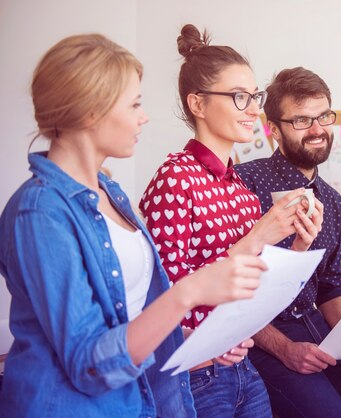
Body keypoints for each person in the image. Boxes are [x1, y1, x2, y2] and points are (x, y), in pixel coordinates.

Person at [0, 33, 266, 417]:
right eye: (135, 104)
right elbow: (90, 364)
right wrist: (189, 292)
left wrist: (197, 342)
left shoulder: (111, 192)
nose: (144, 116)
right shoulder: (39, 212)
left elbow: (126, 323)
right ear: (92, 110)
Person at [140, 25, 321, 418]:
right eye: (240, 97)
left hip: (241, 365)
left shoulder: (237, 184)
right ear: (198, 104)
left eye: (254, 97)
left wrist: (300, 246)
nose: (255, 109)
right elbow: (165, 292)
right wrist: (258, 236)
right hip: (195, 374)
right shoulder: (175, 177)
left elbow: (254, 286)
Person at [235, 67, 341, 418]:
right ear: (273, 129)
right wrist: (285, 348)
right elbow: (234, 290)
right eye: (302, 120)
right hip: (262, 335)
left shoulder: (330, 199)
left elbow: (330, 287)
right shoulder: (245, 183)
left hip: (316, 325)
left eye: (323, 117)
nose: (318, 130)